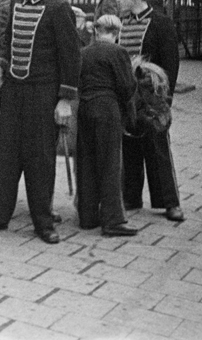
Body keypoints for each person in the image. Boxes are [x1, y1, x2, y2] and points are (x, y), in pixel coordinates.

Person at [0, 0, 81, 244]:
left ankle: (43, 223)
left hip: (43, 96)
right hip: (13, 92)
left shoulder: (59, 9)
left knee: (40, 160)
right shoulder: (15, 4)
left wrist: (64, 100)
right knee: (6, 155)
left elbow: (70, 58)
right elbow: (7, 42)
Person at [116, 0, 184, 222]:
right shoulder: (121, 23)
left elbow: (170, 66)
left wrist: (164, 103)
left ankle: (170, 203)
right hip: (126, 96)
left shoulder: (161, 23)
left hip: (151, 99)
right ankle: (131, 196)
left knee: (158, 150)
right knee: (129, 146)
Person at [76, 14, 138, 237]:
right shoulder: (118, 52)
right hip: (107, 109)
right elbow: (127, 85)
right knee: (110, 163)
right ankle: (113, 221)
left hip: (85, 108)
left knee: (87, 161)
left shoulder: (84, 52)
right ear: (116, 33)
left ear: (96, 32)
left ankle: (87, 216)